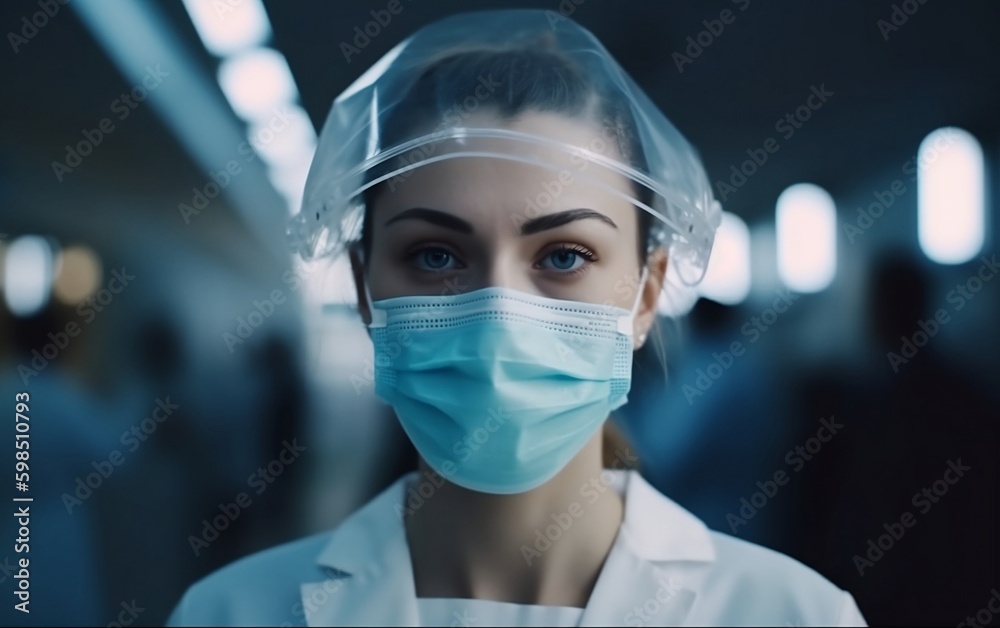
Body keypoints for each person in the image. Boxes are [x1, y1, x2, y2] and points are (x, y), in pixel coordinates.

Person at [168, 9, 866, 626]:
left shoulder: (796, 615)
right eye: (436, 256)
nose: (499, 314)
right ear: (362, 285)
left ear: (647, 295)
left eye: (563, 256)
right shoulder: (230, 612)